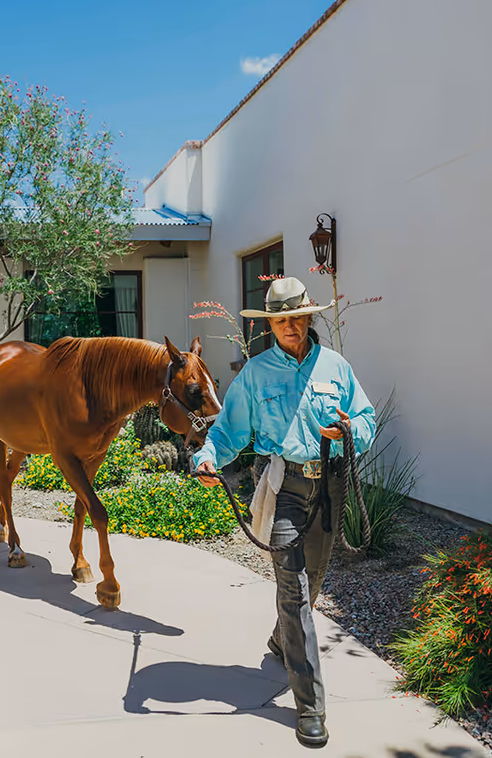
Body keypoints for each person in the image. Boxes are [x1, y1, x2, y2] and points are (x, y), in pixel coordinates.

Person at [192, 276, 375, 748]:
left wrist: (349, 429)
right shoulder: (255, 374)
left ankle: (281, 640)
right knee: (292, 591)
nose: (290, 326)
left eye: (297, 317)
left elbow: (366, 418)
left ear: (309, 317)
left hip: (330, 485)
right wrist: (208, 457)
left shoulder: (336, 366)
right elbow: (227, 431)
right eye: (280, 320)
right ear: (270, 325)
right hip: (286, 487)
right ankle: (310, 707)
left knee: (310, 586)